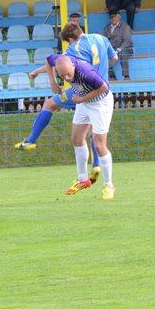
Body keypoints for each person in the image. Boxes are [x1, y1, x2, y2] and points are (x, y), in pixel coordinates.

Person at [14, 22, 116, 180]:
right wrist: (100, 72)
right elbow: (114, 58)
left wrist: (49, 79)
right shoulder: (100, 38)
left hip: (83, 90)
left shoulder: (75, 48)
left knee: (49, 104)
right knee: (92, 129)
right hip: (100, 88)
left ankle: (30, 140)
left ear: (70, 39)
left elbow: (64, 65)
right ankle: (96, 165)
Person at [48, 53, 116, 200]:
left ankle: (108, 185)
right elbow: (48, 60)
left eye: (68, 74)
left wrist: (82, 98)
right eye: (62, 76)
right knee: (77, 139)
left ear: (72, 66)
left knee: (99, 145)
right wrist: (53, 82)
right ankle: (82, 179)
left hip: (100, 103)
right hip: (83, 103)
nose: (66, 78)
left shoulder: (86, 72)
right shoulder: (59, 61)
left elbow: (104, 88)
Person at [103, 11, 132, 80]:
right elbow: (104, 40)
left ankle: (126, 76)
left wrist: (118, 49)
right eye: (111, 17)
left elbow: (127, 41)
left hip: (125, 48)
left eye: (115, 16)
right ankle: (112, 76)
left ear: (119, 17)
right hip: (112, 49)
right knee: (103, 54)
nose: (113, 18)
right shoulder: (107, 28)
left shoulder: (125, 26)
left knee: (123, 53)